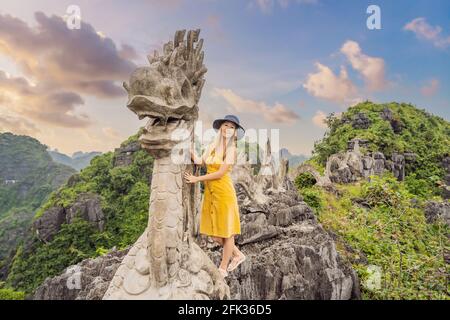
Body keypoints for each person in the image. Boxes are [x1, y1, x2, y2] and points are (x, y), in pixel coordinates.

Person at [184, 115, 246, 279]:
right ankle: (237, 254)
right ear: (220, 128)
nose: (228, 129)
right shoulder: (212, 146)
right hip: (211, 193)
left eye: (232, 127)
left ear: (235, 132)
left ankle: (223, 268)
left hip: (224, 191)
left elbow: (220, 173)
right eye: (226, 125)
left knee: (227, 232)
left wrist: (197, 179)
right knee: (214, 234)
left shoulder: (232, 150)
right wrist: (187, 148)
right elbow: (200, 161)